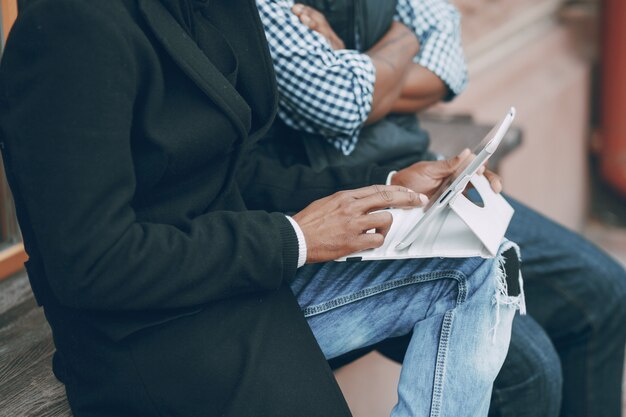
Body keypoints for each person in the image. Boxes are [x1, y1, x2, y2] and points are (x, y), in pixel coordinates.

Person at [0, 1, 524, 416]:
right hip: (149, 333)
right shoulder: (69, 27)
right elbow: (91, 263)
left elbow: (235, 173)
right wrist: (293, 238)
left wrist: (388, 184)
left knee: (479, 259)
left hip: (243, 280)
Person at [255, 1, 626, 416]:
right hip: (335, 206)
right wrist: (404, 36)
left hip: (420, 175)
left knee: (605, 289)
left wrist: (366, 69)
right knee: (530, 368)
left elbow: (446, 54)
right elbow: (345, 100)